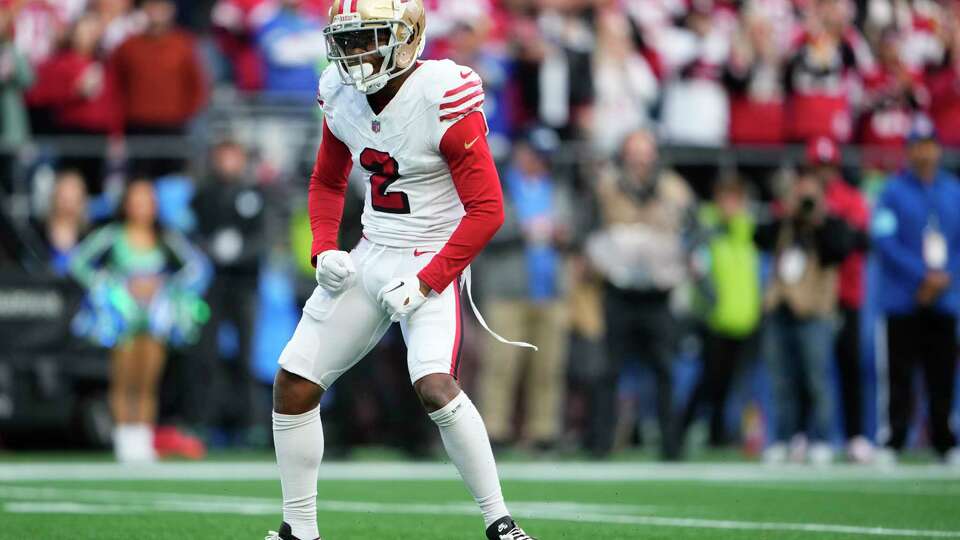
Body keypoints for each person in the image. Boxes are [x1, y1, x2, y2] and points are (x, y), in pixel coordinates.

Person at [266, 2, 535, 540]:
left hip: (433, 255)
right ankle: (300, 529)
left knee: (434, 385)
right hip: (373, 250)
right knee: (294, 384)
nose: (355, 53)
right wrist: (324, 250)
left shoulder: (441, 93)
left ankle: (500, 521)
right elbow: (326, 180)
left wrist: (429, 281)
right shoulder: (340, 95)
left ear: (408, 37)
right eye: (346, 40)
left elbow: (488, 211)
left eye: (368, 38)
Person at [69, 179, 210, 463]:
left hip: (154, 320)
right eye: (136, 199)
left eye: (147, 200)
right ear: (126, 204)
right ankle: (124, 440)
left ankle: (143, 441)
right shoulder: (113, 234)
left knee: (148, 381)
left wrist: (165, 284)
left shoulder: (164, 237)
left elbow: (196, 268)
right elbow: (78, 263)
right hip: (124, 319)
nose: (141, 206)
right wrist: (112, 284)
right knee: (124, 379)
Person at [585, 129, 693, 460]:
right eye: (634, 151)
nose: (640, 159)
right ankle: (601, 444)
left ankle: (671, 447)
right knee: (608, 369)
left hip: (659, 292)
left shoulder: (675, 188)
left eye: (645, 151)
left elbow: (694, 231)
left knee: (664, 369)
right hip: (618, 289)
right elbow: (587, 229)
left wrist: (688, 259)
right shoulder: (605, 186)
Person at [477, 127, 571, 452]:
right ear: (521, 153)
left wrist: (561, 235)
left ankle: (543, 431)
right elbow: (486, 230)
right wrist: (523, 232)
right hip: (507, 288)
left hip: (549, 289)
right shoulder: (501, 187)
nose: (540, 163)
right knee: (500, 364)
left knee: (548, 366)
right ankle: (494, 429)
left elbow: (573, 231)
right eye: (535, 155)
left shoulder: (556, 189)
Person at [872, 117, 960, 464]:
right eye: (917, 145)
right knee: (899, 374)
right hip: (903, 298)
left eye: (929, 144)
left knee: (942, 374)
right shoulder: (892, 192)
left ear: (938, 148)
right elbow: (884, 240)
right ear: (908, 151)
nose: (924, 152)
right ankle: (894, 439)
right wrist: (922, 276)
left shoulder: (953, 190)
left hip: (944, 298)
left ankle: (944, 441)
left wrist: (944, 277)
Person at [756, 171, 853, 465]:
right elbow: (758, 237)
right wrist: (787, 213)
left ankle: (822, 438)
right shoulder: (784, 223)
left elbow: (840, 250)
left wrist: (818, 220)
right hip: (780, 309)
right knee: (781, 381)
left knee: (817, 378)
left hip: (815, 312)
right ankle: (783, 438)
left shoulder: (830, 224)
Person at [680, 176, 761, 451]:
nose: (731, 206)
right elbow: (697, 267)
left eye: (736, 199)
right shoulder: (706, 228)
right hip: (714, 316)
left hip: (744, 316)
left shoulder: (747, 230)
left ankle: (718, 432)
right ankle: (681, 428)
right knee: (707, 380)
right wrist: (709, 301)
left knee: (730, 382)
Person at [192, 139, 265, 443]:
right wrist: (210, 250)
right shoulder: (203, 195)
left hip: (245, 284)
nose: (227, 164)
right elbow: (191, 233)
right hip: (211, 284)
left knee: (248, 356)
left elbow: (264, 236)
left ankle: (251, 425)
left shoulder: (255, 194)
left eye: (233, 157)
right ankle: (205, 422)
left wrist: (240, 252)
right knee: (205, 354)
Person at [806, 136, 873, 463]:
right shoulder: (802, 196)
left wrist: (826, 227)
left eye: (828, 166)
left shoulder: (851, 198)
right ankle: (810, 435)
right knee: (810, 369)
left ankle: (855, 435)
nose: (823, 173)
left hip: (845, 293)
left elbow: (853, 242)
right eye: (818, 166)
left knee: (849, 365)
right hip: (812, 296)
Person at [110, 0, 207, 177]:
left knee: (172, 181)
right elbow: (115, 86)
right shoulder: (128, 47)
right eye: (152, 6)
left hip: (173, 127)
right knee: (139, 180)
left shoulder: (183, 45)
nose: (157, 11)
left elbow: (197, 85)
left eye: (162, 6)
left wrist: (183, 114)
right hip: (137, 127)